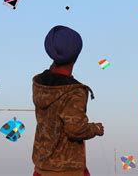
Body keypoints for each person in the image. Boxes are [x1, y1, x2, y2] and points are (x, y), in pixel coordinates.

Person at [32, 25, 105, 176]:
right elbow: (75, 129)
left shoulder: (39, 84)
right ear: (76, 55)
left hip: (41, 167)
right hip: (67, 170)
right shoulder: (75, 92)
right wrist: (95, 129)